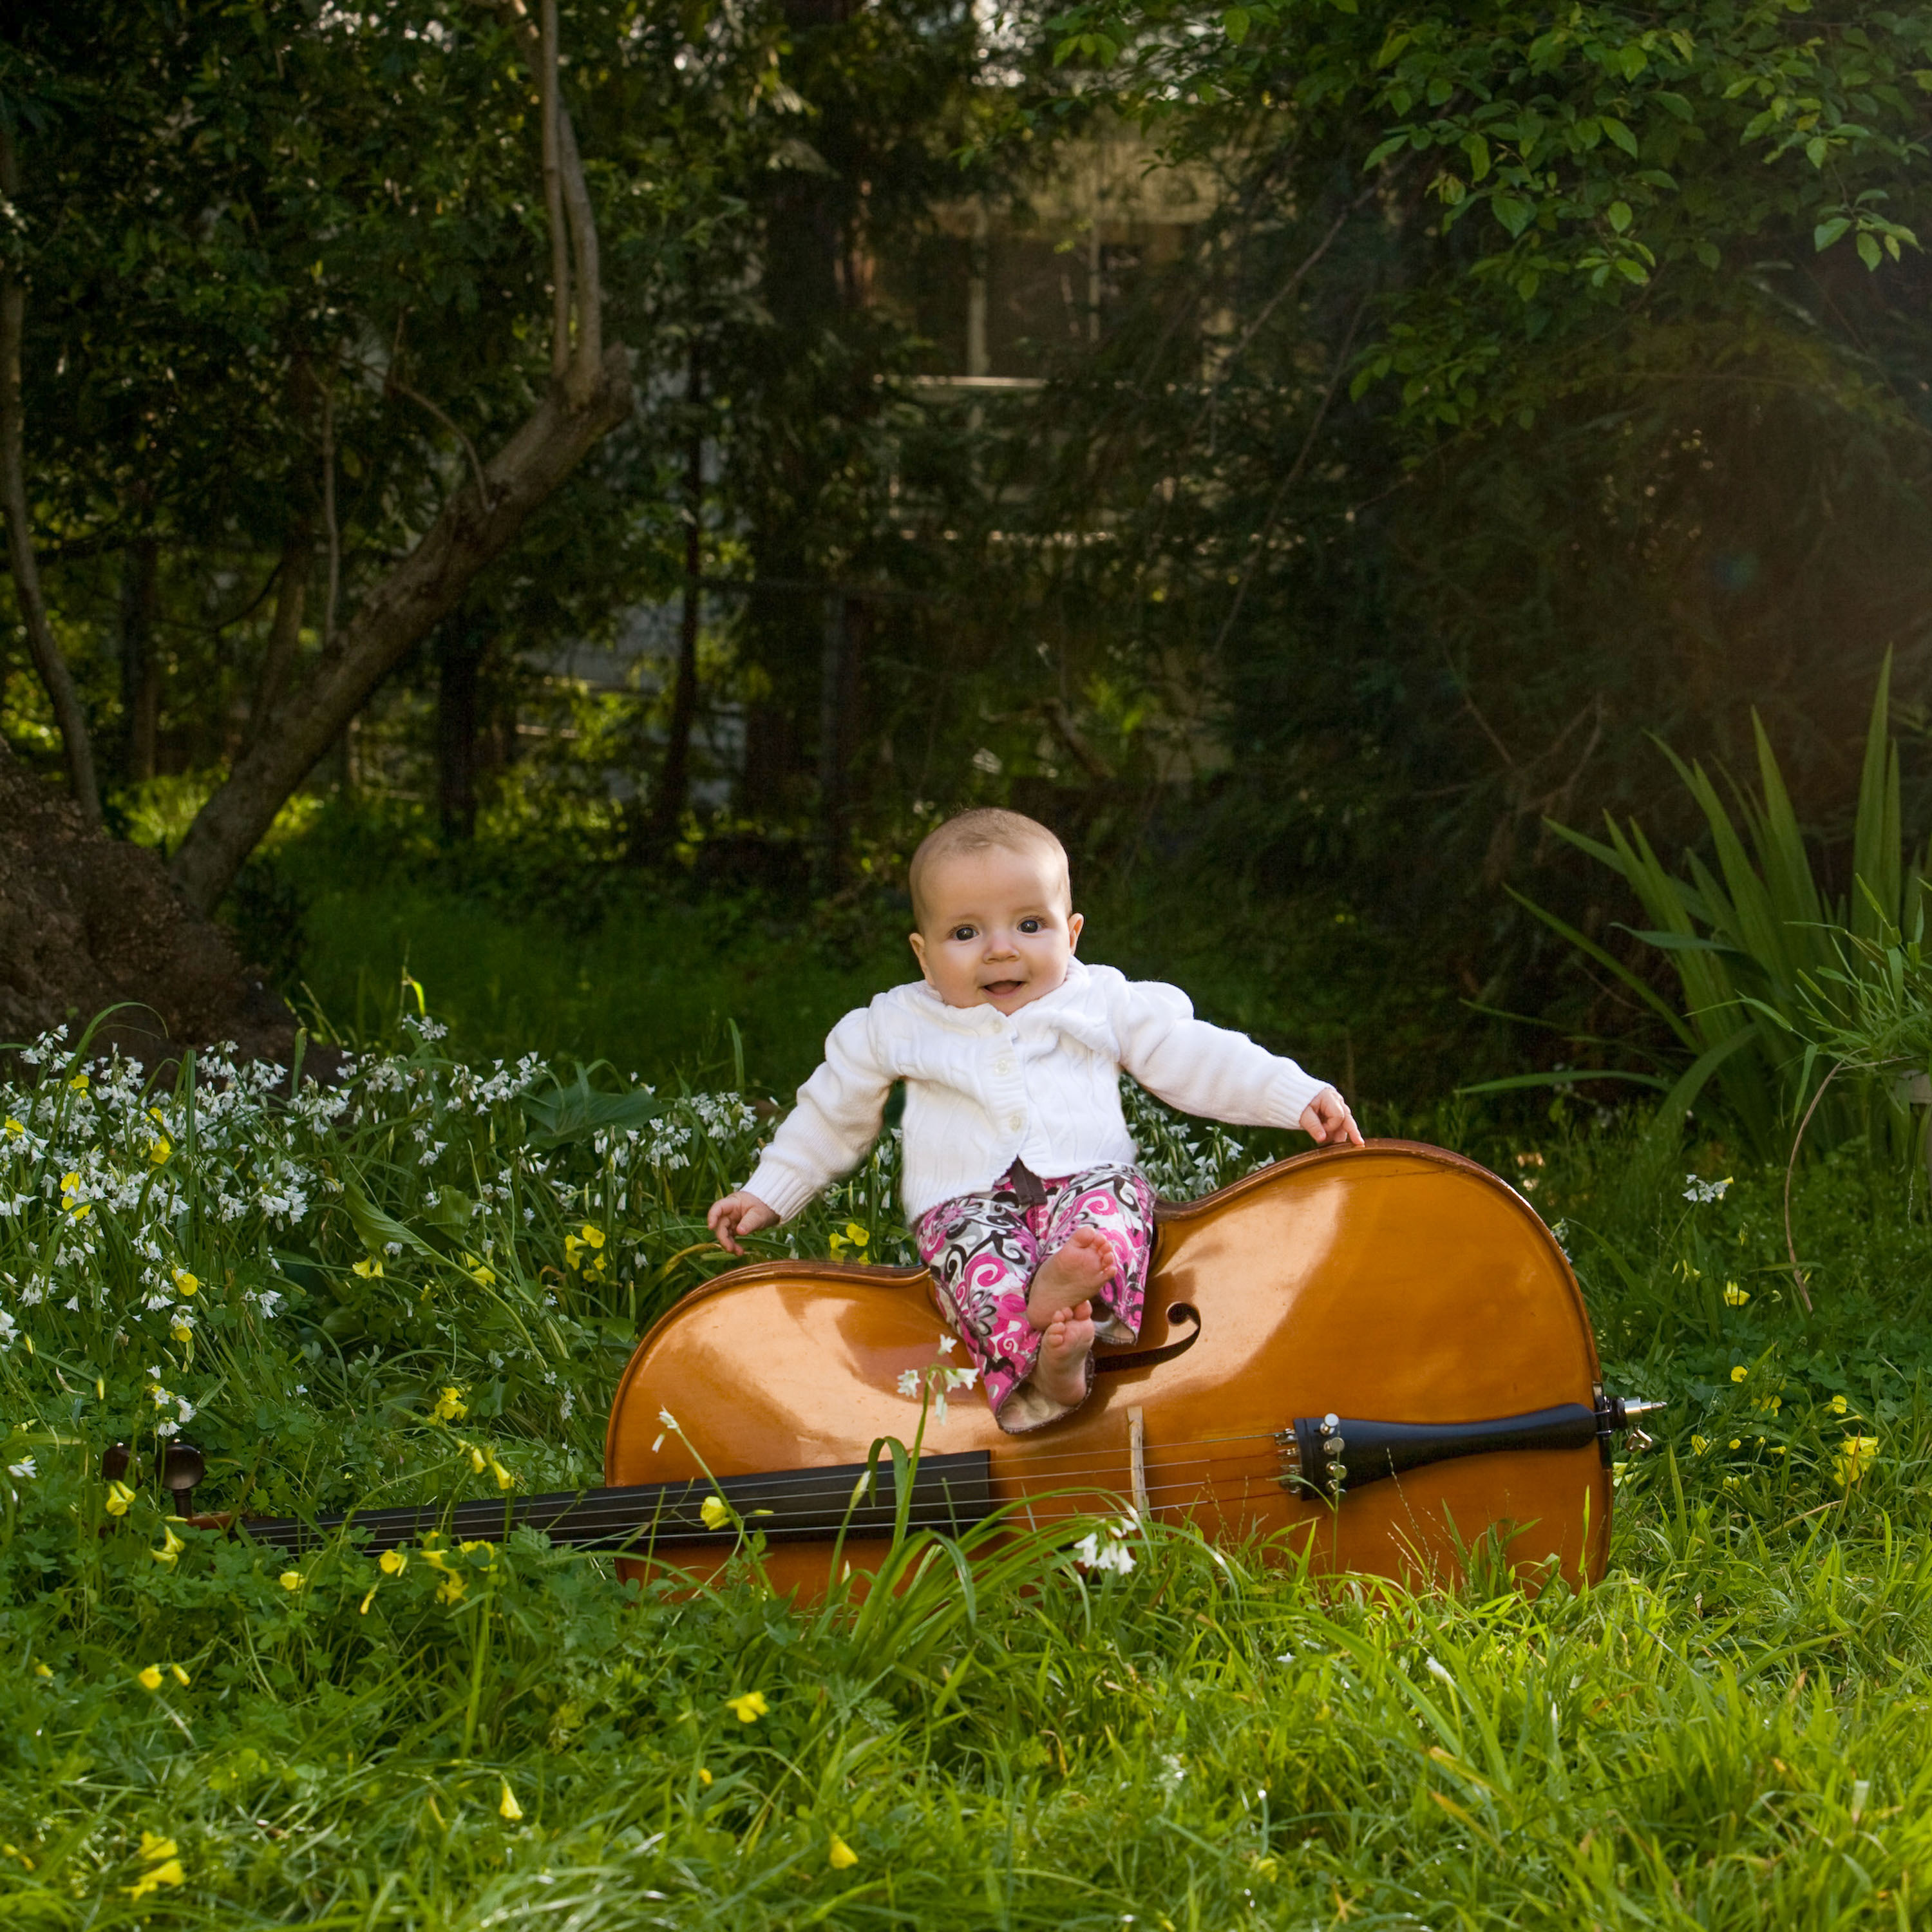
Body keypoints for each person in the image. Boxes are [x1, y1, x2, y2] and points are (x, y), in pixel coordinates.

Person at [707, 808, 1362, 1432]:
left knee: (1114, 1211)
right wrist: (770, 1192)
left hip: (1084, 1178)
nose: (1000, 951)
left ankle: (1072, 1301)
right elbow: (833, 1110)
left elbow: (1192, 1054)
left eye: (1029, 926)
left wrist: (1292, 1093)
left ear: (1071, 933)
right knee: (971, 1257)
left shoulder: (1100, 999)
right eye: (966, 934)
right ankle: (1048, 1368)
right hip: (965, 1199)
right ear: (923, 954)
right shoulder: (897, 1023)